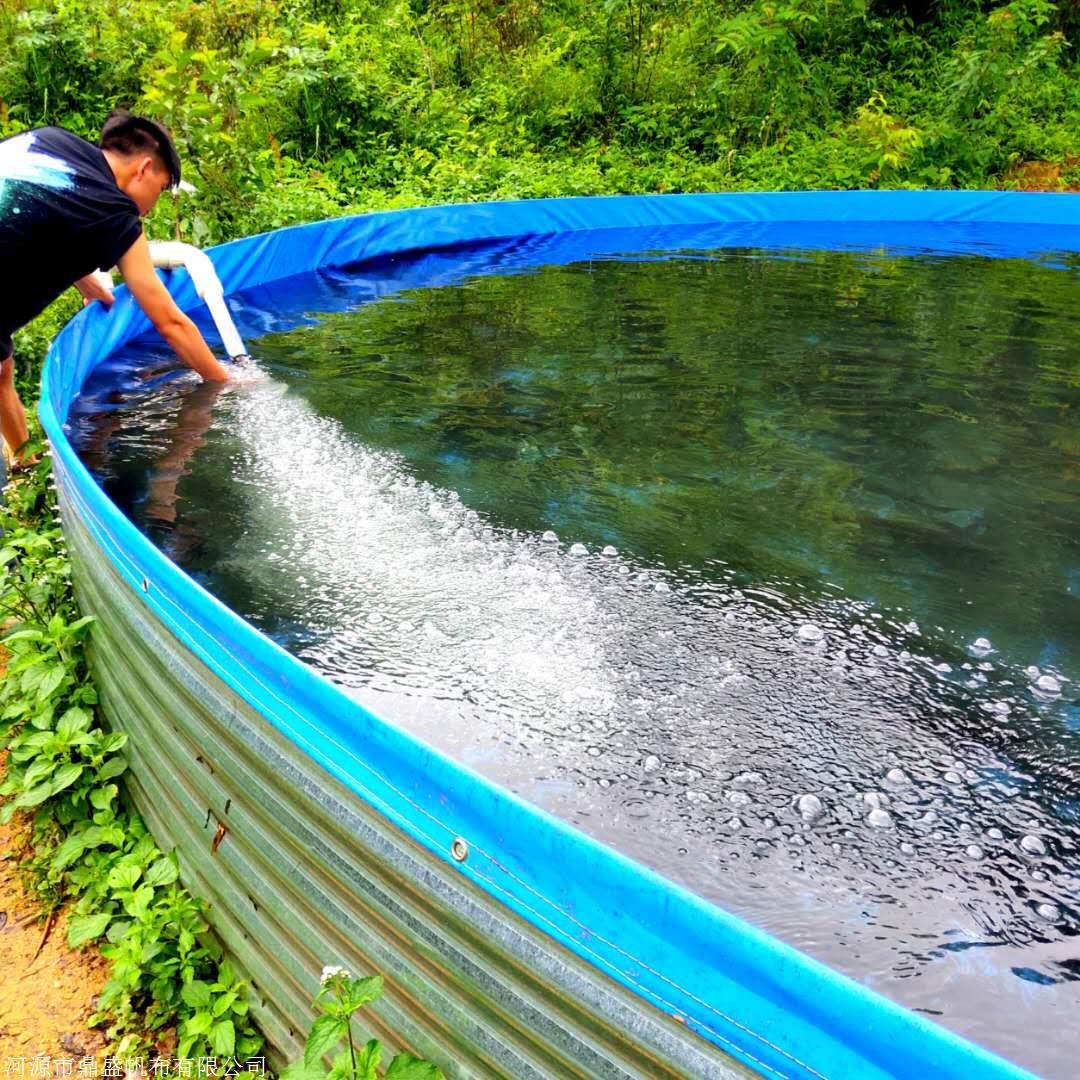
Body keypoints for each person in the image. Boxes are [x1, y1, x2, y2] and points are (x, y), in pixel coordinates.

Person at [0, 110, 230, 467]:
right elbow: (170, 322)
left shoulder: (50, 139)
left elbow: (31, 206)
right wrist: (224, 380)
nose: (151, 209)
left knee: (1, 370)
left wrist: (83, 276)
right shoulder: (113, 212)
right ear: (144, 168)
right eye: (159, 188)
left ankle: (24, 464)